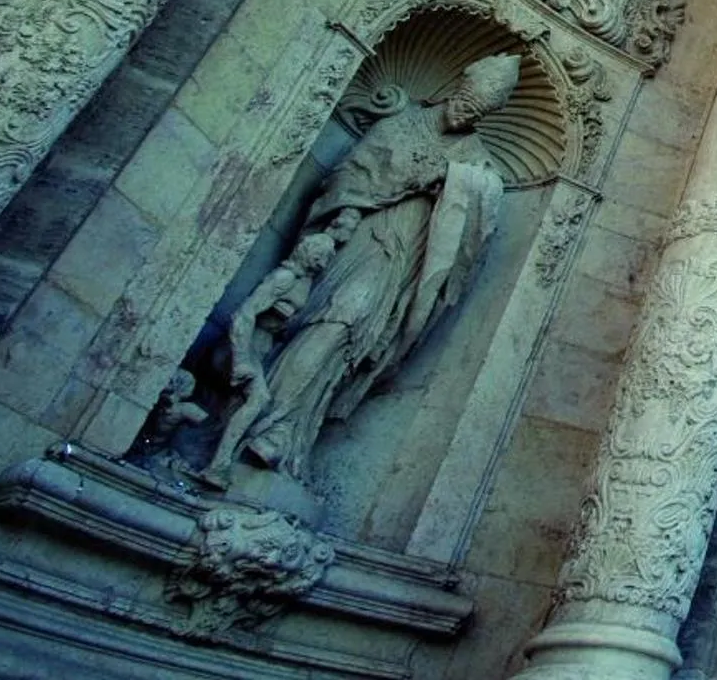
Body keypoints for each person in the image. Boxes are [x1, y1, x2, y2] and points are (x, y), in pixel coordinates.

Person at [207, 54, 521, 482]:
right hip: (358, 241)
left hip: (400, 264)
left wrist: (457, 185)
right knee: (317, 322)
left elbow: (475, 232)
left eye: (478, 110)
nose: (466, 112)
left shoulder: (476, 160)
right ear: (458, 87)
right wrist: (361, 207)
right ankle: (250, 424)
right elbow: (347, 177)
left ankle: (286, 434)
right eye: (466, 100)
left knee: (348, 331)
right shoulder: (402, 123)